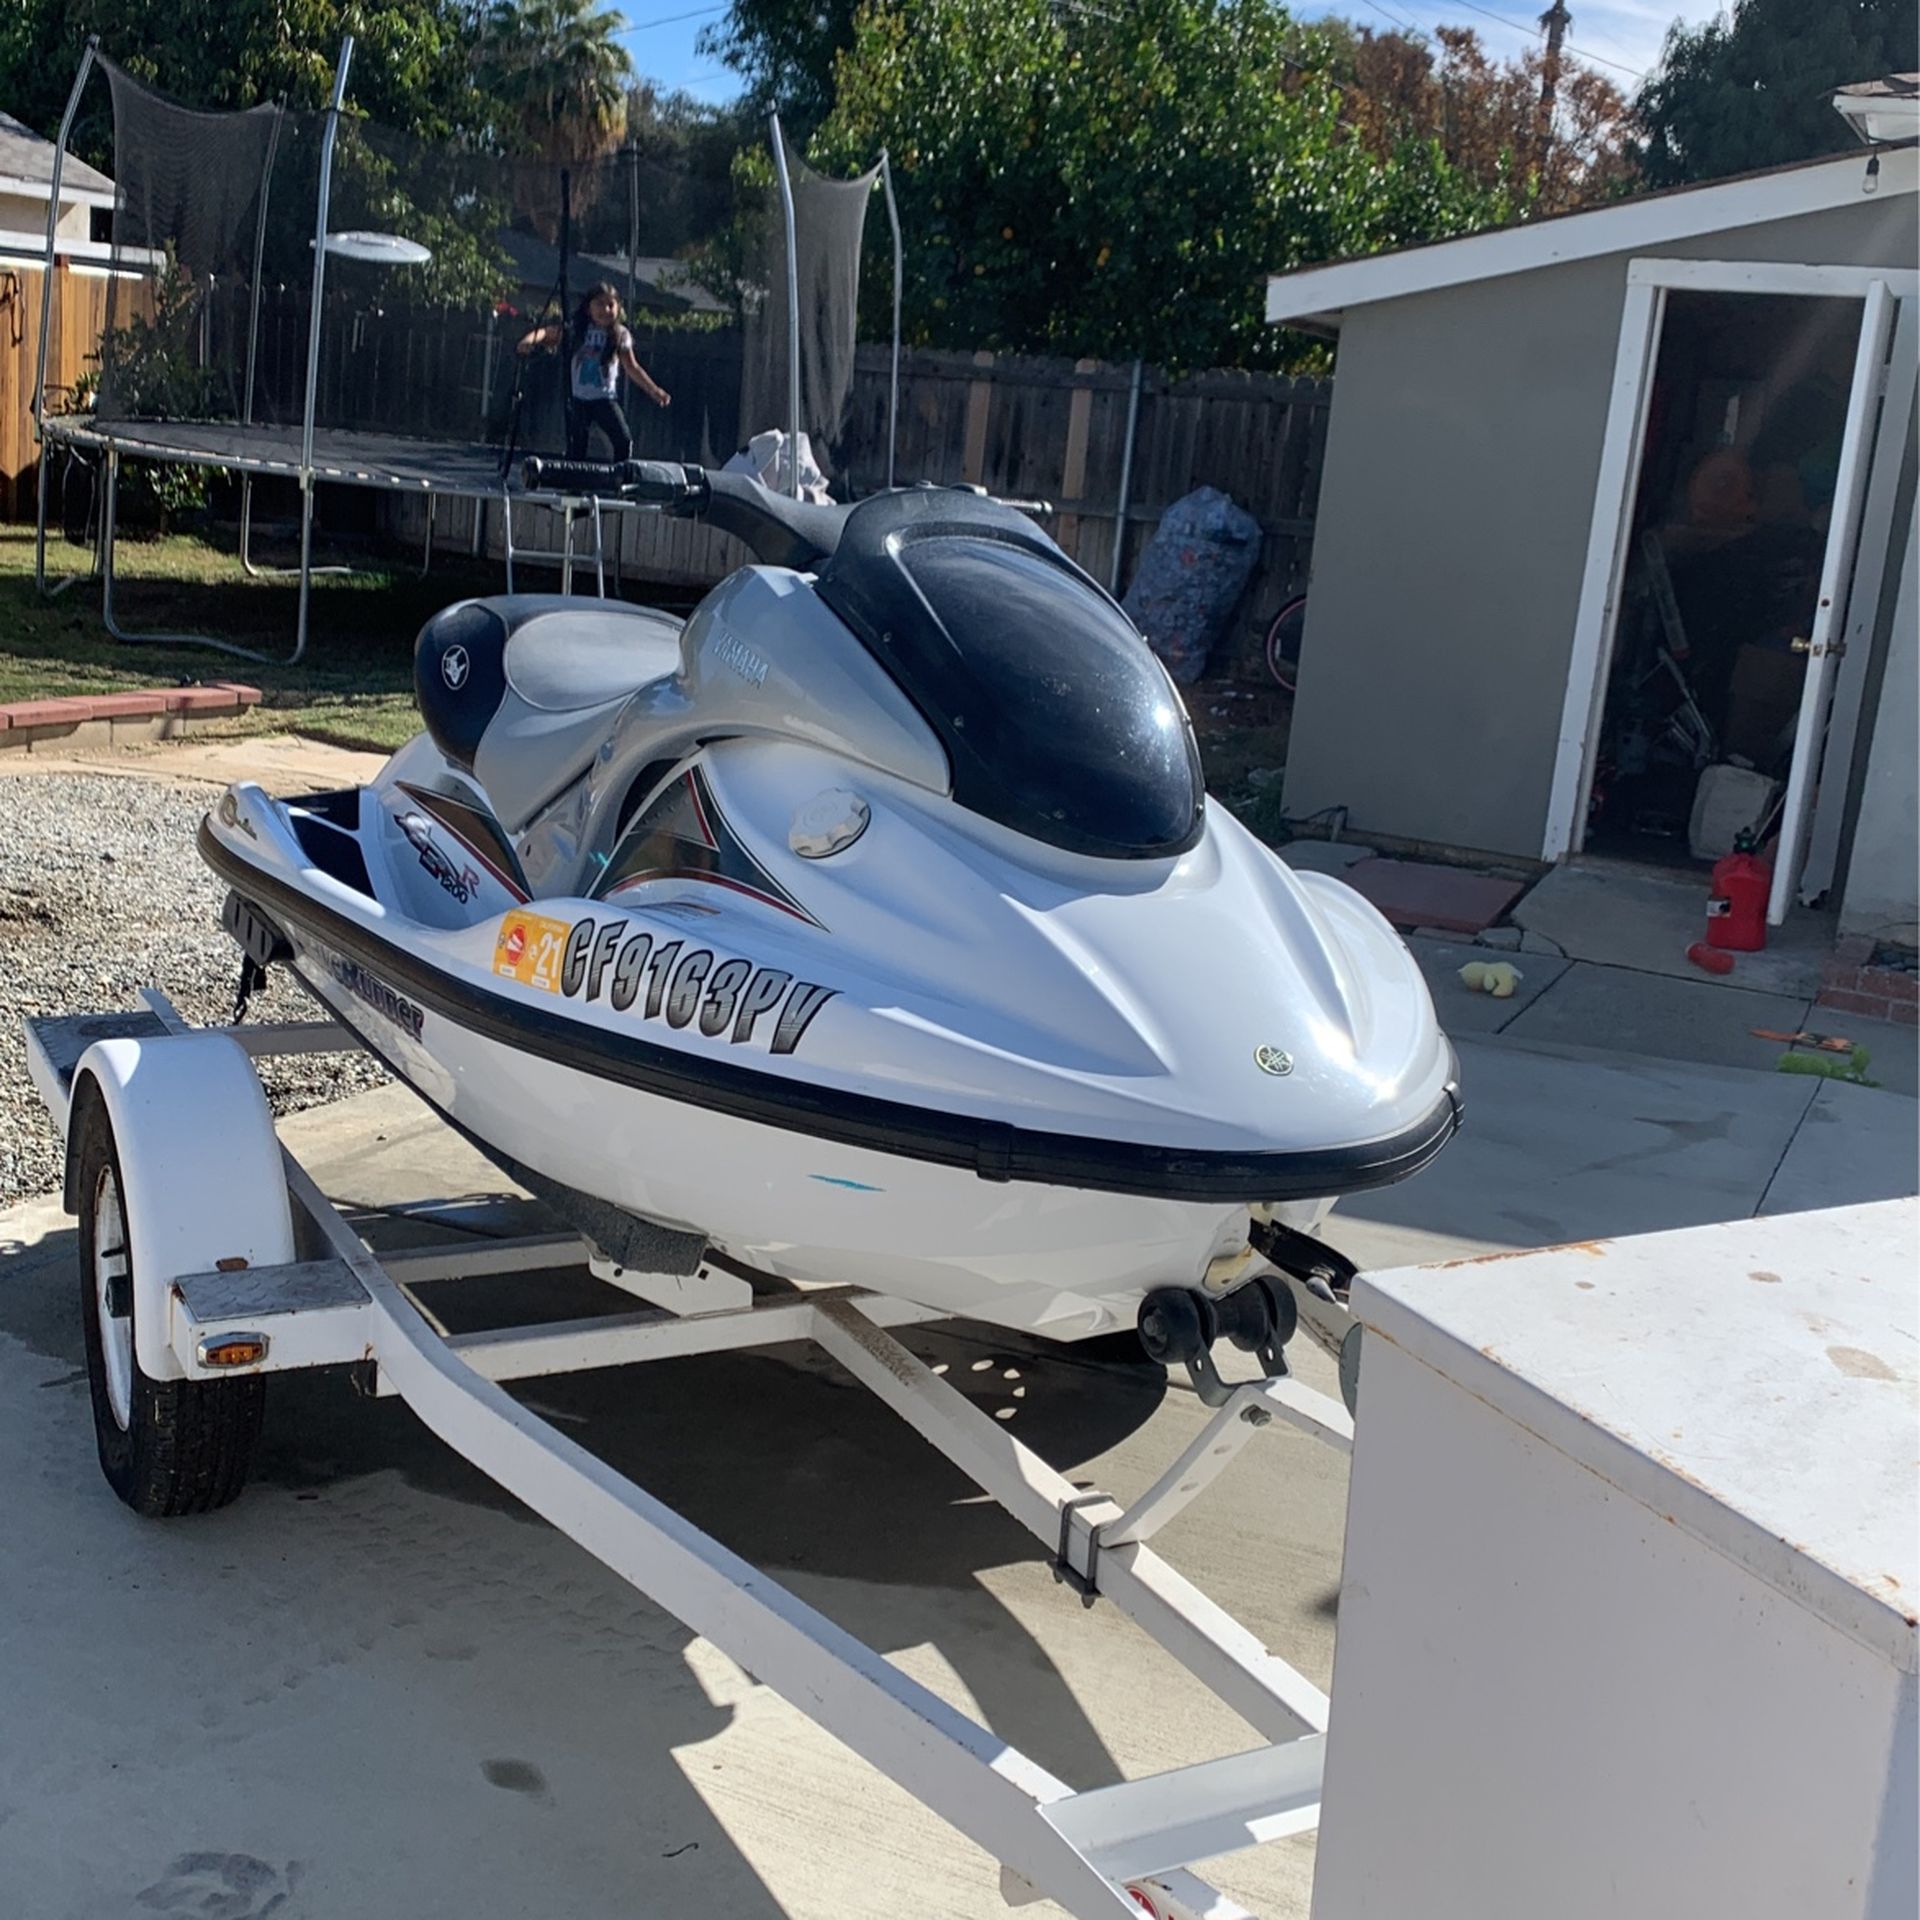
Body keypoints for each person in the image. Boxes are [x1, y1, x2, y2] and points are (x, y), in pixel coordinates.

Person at [518, 283, 670, 460]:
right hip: (578, 399)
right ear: (588, 308)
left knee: (623, 439)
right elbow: (546, 332)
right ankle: (574, 485)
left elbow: (632, 367)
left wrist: (654, 390)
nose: (605, 310)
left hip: (604, 399)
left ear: (618, 308)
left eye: (610, 305)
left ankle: (620, 479)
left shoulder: (620, 334)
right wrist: (527, 341)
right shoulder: (576, 329)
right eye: (599, 304)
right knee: (577, 446)